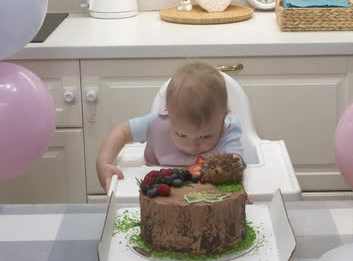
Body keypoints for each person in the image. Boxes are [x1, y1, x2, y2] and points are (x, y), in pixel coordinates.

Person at [96, 61, 244, 192]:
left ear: (224, 116)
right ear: (169, 112)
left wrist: (234, 181)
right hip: (158, 193)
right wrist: (104, 163)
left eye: (205, 136)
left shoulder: (228, 131)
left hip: (209, 195)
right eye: (181, 134)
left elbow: (234, 162)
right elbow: (121, 131)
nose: (193, 146)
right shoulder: (157, 123)